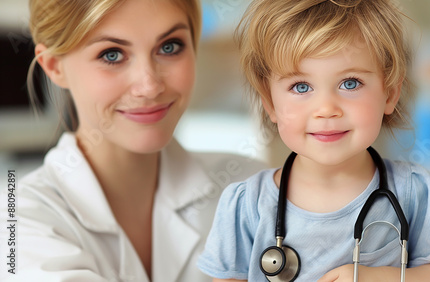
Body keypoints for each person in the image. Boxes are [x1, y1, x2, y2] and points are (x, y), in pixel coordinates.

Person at [197, 0, 430, 281]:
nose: (326, 108)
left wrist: (375, 277)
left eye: (350, 83)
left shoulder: (414, 193)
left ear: (390, 93)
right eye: (301, 86)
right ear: (269, 103)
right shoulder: (245, 206)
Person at [0, 0, 264, 281]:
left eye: (169, 47)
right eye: (112, 54)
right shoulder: (16, 218)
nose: (149, 86)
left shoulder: (253, 187)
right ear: (54, 67)